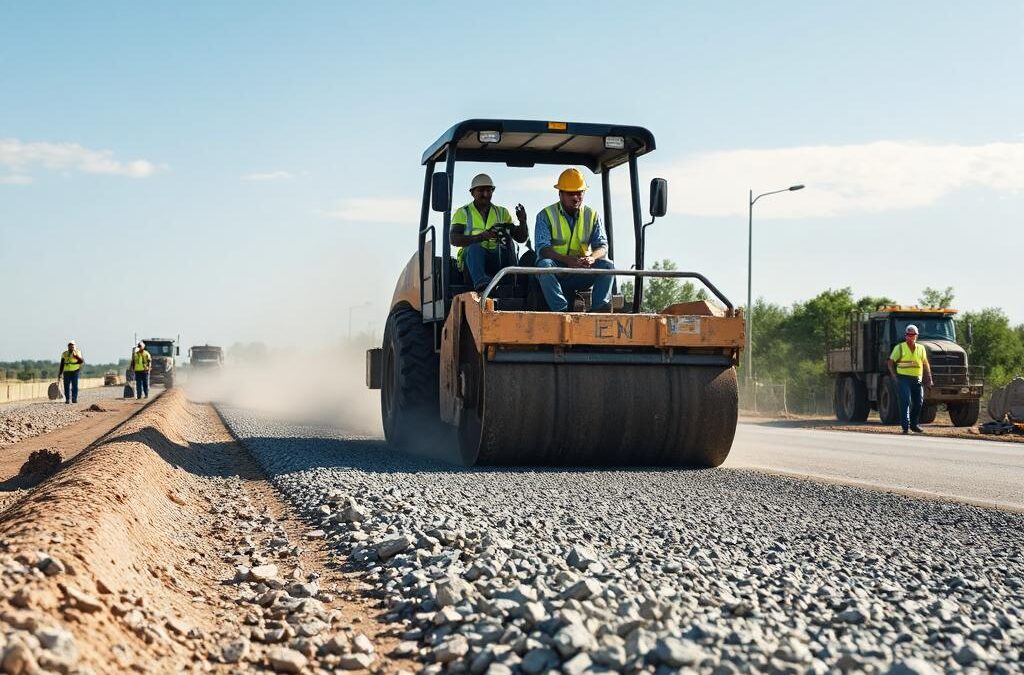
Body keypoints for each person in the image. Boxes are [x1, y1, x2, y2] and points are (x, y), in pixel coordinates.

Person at [534, 168, 615, 312]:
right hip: (557, 270)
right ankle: (562, 311)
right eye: (571, 193)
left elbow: (602, 246)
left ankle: (599, 311)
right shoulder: (545, 215)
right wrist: (566, 260)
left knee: (608, 266)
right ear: (560, 194)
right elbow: (543, 249)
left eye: (579, 193)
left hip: (581, 268)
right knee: (544, 265)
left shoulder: (592, 215)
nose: (576, 197)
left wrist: (592, 258)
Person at [450, 173, 528, 291]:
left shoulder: (502, 212)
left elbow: (521, 238)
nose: (485, 194)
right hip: (471, 265)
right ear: (472, 193)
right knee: (474, 247)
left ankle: (511, 284)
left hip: (496, 260)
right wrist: (479, 237)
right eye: (481, 191)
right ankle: (482, 285)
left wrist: (522, 221)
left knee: (510, 243)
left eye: (489, 190)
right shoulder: (463, 213)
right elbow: (454, 239)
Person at [887, 324, 933, 434]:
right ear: (905, 336)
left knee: (919, 402)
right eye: (908, 335)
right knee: (906, 401)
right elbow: (890, 362)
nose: (910, 337)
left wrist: (929, 378)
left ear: (917, 336)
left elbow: (925, 363)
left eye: (913, 335)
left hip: (917, 379)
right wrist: (894, 375)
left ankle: (914, 424)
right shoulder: (900, 347)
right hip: (903, 378)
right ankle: (905, 426)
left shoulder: (921, 348)